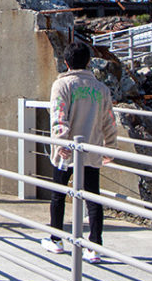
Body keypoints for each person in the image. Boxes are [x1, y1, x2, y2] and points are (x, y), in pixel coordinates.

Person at [40, 41, 117, 263]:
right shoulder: (101, 89)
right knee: (93, 197)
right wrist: (110, 147)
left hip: (66, 152)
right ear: (89, 62)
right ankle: (94, 245)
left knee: (58, 194)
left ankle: (56, 239)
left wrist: (61, 142)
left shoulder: (62, 85)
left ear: (66, 63)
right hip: (91, 149)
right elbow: (109, 121)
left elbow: (58, 115)